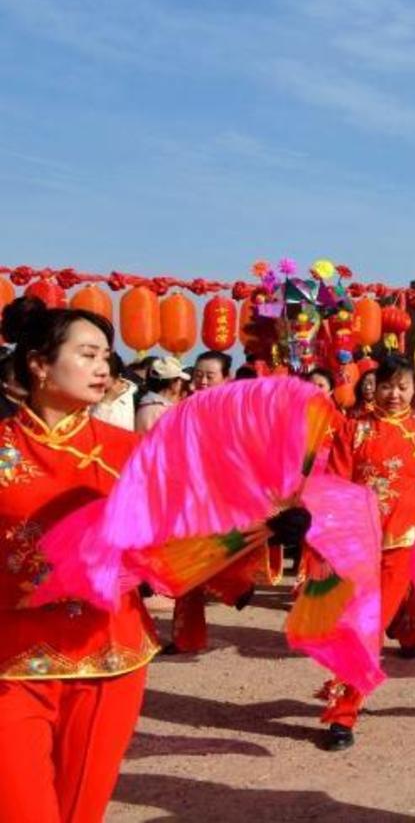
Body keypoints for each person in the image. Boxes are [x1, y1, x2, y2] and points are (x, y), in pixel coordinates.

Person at [0, 297, 158, 822]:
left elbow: (175, 537)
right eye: (87, 354)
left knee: (79, 811)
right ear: (39, 364)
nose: (102, 368)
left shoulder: (129, 452)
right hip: (11, 661)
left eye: (106, 357)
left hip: (107, 658)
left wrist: (259, 528)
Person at [318, 356, 415, 750]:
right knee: (349, 624)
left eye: (403, 386)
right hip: (356, 543)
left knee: (369, 627)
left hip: (400, 546)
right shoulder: (353, 429)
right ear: (374, 387)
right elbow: (336, 484)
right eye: (388, 385)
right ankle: (344, 690)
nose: (394, 394)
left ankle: (344, 714)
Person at [167, 349, 240, 654]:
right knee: (187, 569)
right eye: (198, 375)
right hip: (188, 497)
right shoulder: (182, 409)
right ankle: (187, 637)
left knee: (223, 559)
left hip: (224, 498)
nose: (203, 381)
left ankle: (237, 587)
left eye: (210, 376)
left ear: (227, 379)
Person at [133, 356, 189, 434]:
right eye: (181, 380)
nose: (181, 384)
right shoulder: (160, 410)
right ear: (174, 383)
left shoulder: (148, 404)